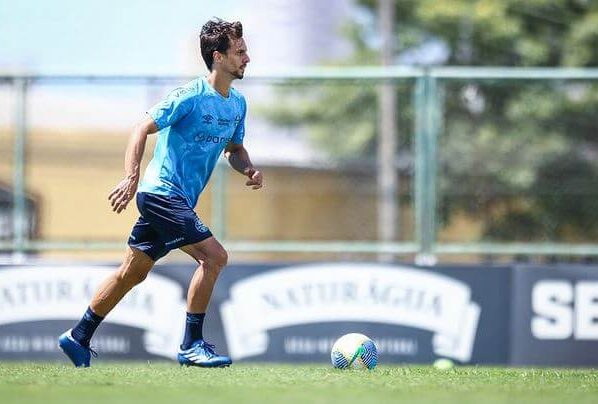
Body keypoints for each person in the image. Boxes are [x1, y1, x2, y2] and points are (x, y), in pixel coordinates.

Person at [58, 18, 261, 368]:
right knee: (214, 257)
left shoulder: (237, 104)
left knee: (132, 273)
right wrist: (131, 177)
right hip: (161, 194)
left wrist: (249, 168)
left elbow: (234, 149)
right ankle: (191, 344)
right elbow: (141, 128)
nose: (247, 58)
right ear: (218, 56)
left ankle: (78, 336)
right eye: (240, 52)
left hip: (176, 200)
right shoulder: (189, 97)